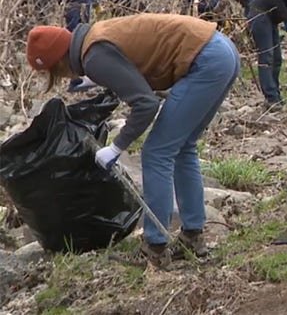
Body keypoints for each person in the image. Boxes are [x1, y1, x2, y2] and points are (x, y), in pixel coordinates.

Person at [24, 14, 240, 266]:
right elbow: (135, 58)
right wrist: (98, 77)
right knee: (183, 147)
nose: (60, 77)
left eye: (53, 72)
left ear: (59, 62)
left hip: (206, 61)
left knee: (156, 153)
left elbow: (146, 104)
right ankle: (192, 236)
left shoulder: (94, 57)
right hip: (222, 50)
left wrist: (117, 146)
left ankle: (155, 247)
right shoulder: (93, 39)